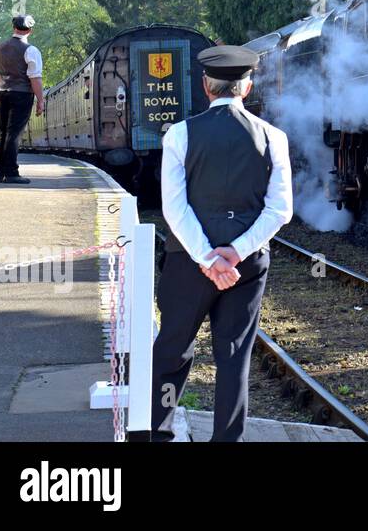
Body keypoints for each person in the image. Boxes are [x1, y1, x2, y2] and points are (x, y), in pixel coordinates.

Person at [150, 45, 293, 442]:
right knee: (233, 357)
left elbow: (174, 209)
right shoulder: (274, 138)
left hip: (187, 265)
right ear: (246, 87)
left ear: (205, 87)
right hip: (246, 267)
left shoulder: (179, 134)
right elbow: (280, 211)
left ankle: (157, 434)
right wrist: (237, 251)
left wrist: (207, 256)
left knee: (173, 348)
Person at [0, 14, 44, 184]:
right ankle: (12, 173)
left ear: (14, 28)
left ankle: (0, 173)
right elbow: (35, 78)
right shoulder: (31, 50)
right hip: (22, 95)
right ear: (30, 30)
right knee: (14, 134)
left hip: (4, 92)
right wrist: (40, 100)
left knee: (3, 133)